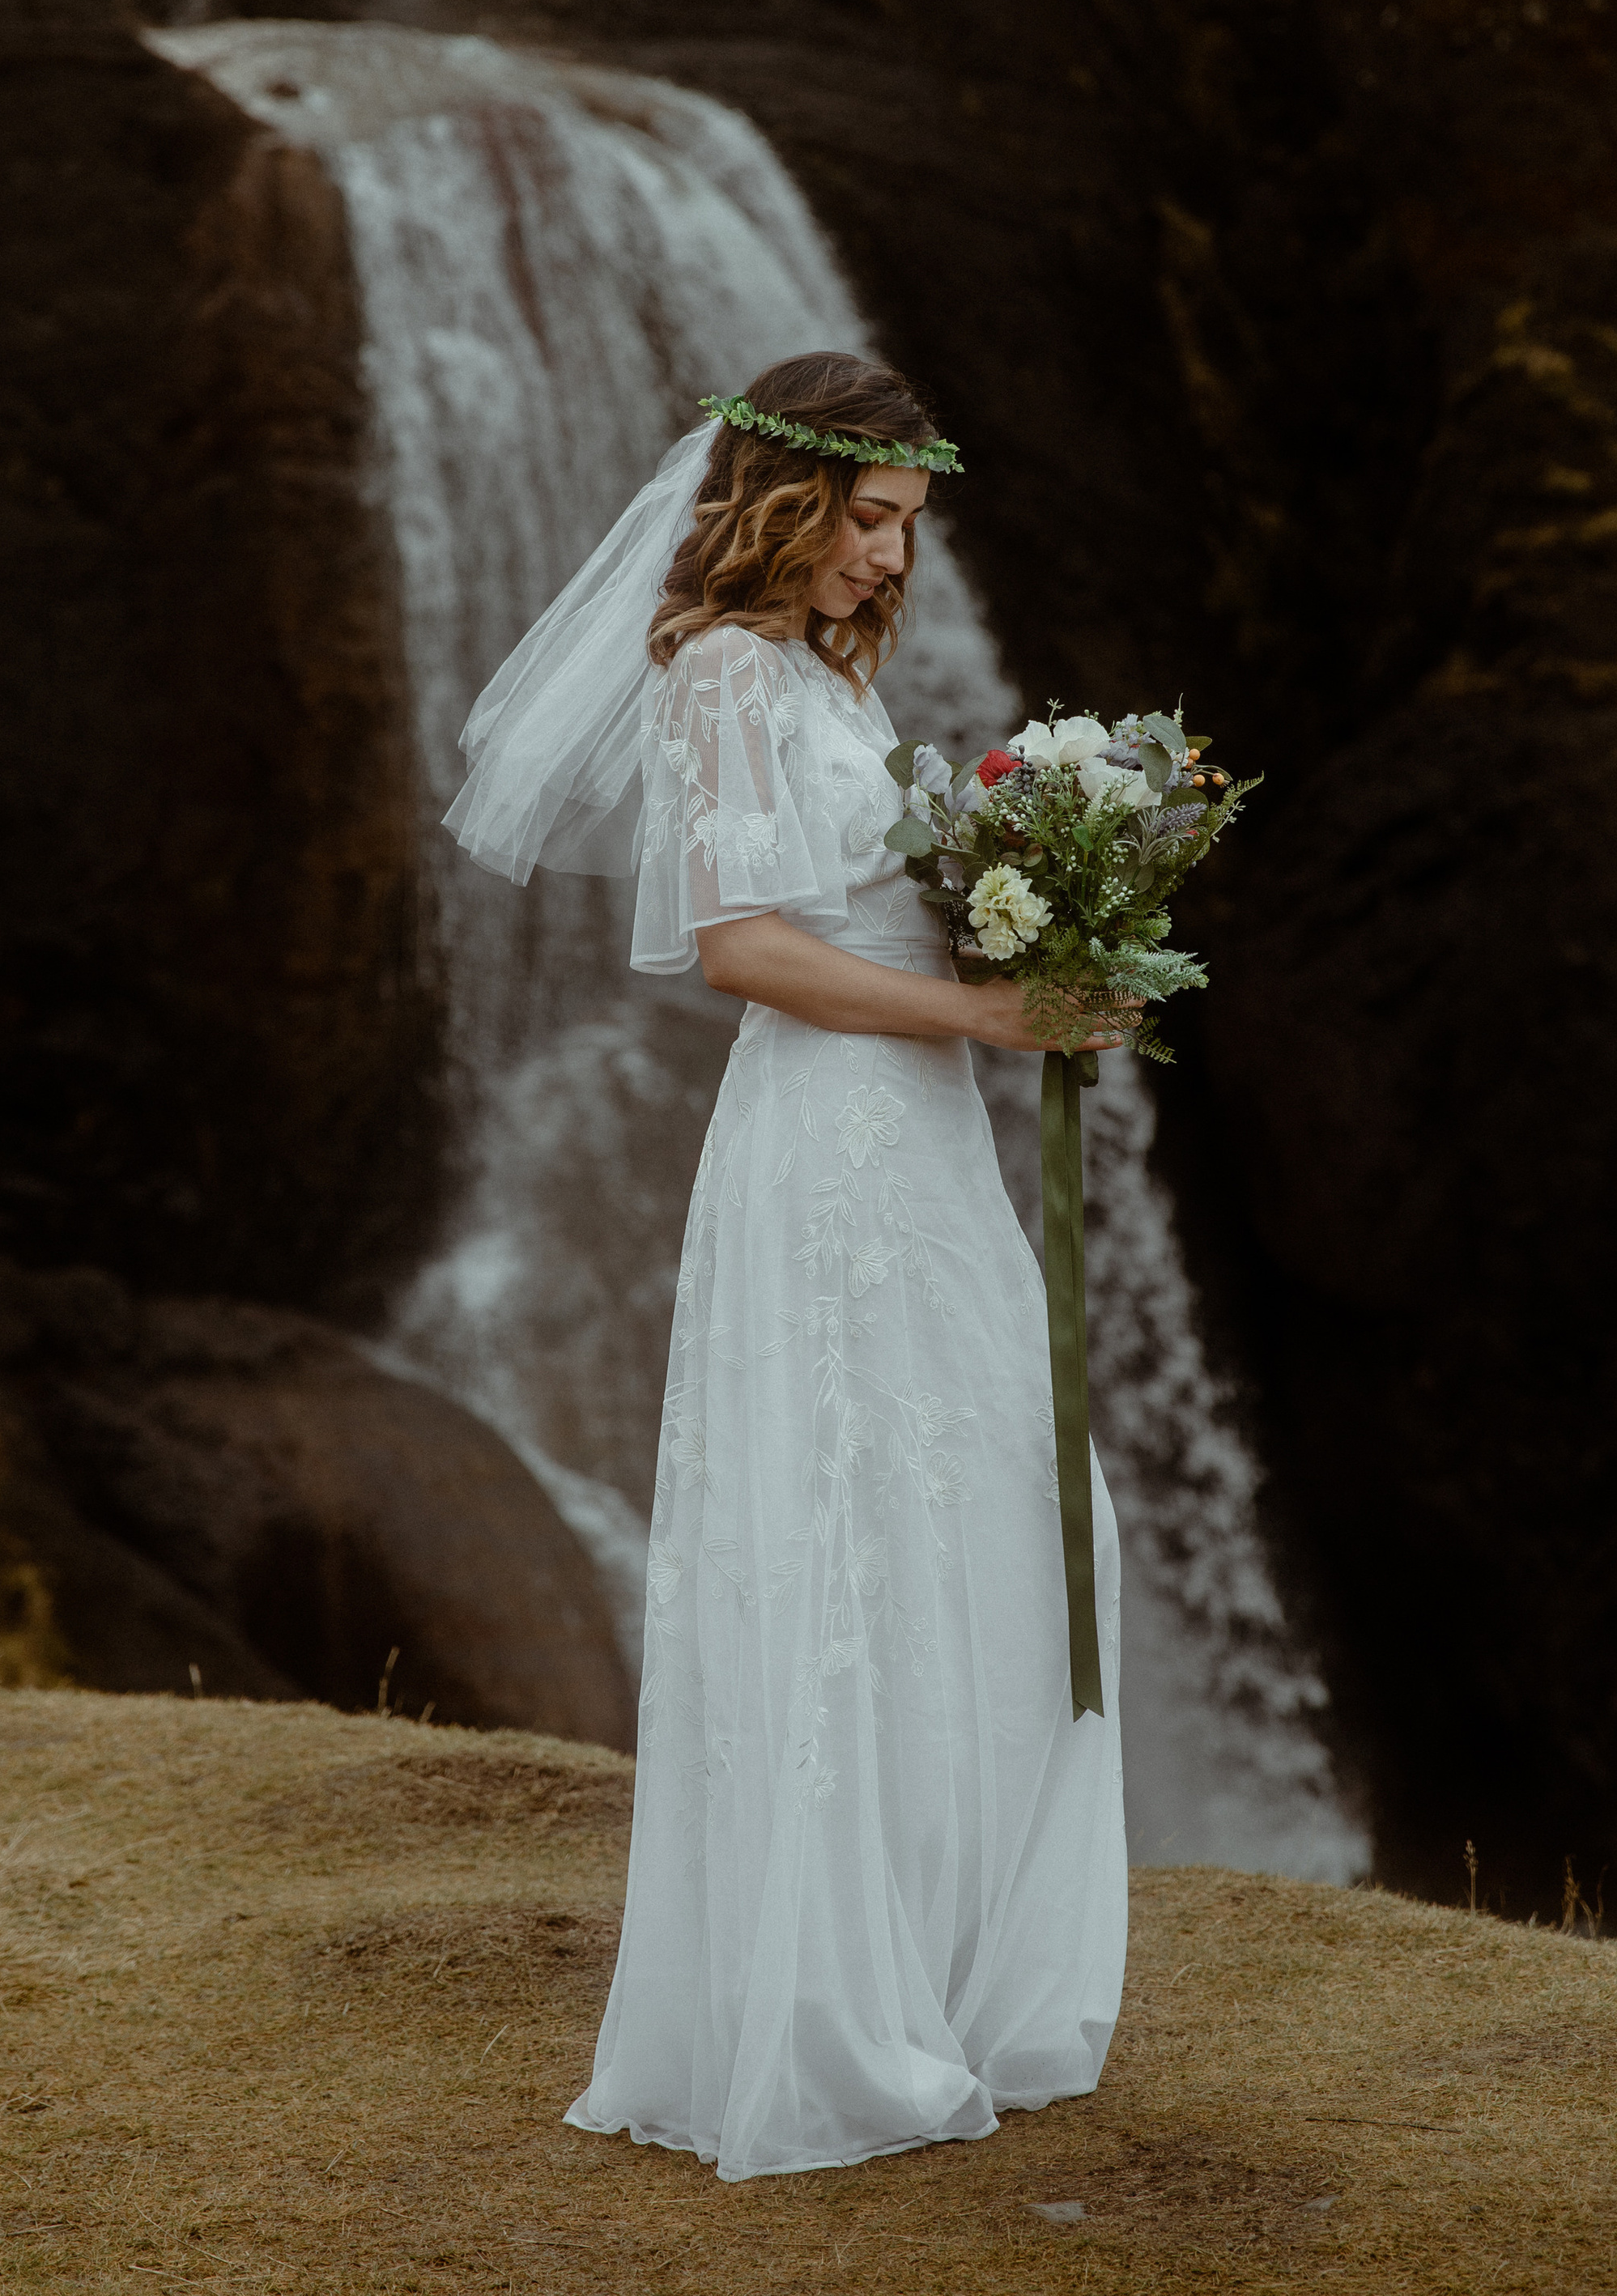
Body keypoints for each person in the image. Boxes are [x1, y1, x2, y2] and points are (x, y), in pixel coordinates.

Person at [445, 351, 1127, 2183]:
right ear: (788, 501)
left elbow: (872, 898)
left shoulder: (821, 670)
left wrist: (1046, 940)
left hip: (915, 1132)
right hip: (828, 1140)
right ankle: (827, 2000)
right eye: (871, 520)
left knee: (981, 1502)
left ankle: (937, 1958)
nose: (889, 560)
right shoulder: (727, 670)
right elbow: (742, 947)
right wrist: (985, 1005)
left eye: (906, 526)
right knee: (854, 1521)